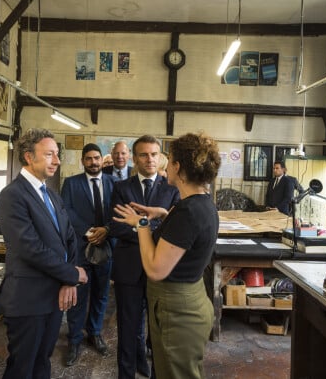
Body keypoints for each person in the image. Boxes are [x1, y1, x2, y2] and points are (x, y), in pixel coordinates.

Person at [113, 132, 221, 379]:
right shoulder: (199, 203)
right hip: (187, 301)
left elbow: (155, 269)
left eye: (167, 159)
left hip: (179, 311)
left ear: (178, 167)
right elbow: (184, 231)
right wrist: (162, 213)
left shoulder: (188, 212)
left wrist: (140, 224)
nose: (162, 164)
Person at [0, 128, 88, 379]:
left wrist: (68, 280)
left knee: (42, 363)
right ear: (28, 157)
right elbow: (30, 248)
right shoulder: (12, 196)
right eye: (49, 154)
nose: (57, 161)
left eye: (56, 154)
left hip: (54, 297)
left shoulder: (52, 196)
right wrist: (71, 273)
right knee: (22, 368)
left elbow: (70, 238)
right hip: (28, 299)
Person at [109, 135, 180, 379]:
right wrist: (152, 228)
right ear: (134, 158)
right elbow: (117, 228)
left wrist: (138, 225)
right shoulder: (121, 188)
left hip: (160, 268)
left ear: (161, 157)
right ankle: (126, 374)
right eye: (143, 154)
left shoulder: (172, 191)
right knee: (127, 328)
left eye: (154, 154)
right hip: (129, 268)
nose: (149, 159)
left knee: (158, 330)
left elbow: (174, 231)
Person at [60, 144, 116, 366]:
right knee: (78, 297)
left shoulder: (114, 183)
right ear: (83, 161)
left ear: (102, 160)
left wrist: (107, 230)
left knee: (101, 294)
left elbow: (119, 210)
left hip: (107, 247)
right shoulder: (71, 183)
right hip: (81, 248)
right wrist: (90, 231)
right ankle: (74, 340)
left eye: (97, 158)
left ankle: (95, 333)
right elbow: (66, 211)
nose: (94, 162)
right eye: (89, 159)